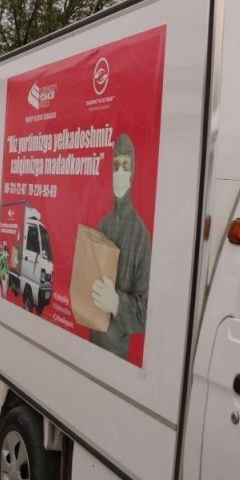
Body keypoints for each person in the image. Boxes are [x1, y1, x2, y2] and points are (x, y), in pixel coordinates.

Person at [88, 133, 150, 360]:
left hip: (115, 355)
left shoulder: (141, 234)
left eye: (126, 168)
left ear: (132, 173)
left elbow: (146, 312)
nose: (120, 175)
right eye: (116, 167)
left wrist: (116, 303)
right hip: (91, 338)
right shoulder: (103, 223)